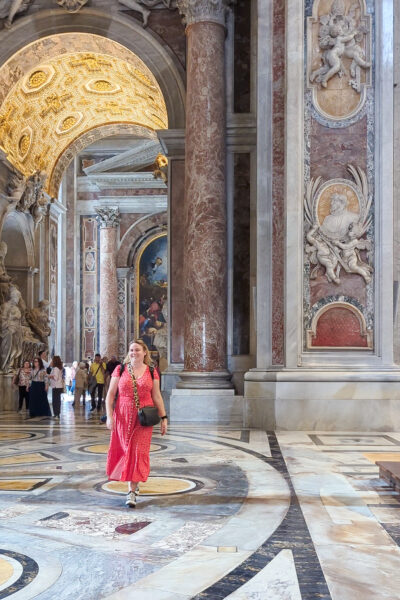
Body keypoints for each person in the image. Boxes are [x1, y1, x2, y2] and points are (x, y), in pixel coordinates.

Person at [106, 339, 168, 507]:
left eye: (137, 350)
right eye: (131, 350)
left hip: (143, 417)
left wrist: (164, 418)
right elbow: (110, 395)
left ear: (145, 352)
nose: (133, 353)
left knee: (137, 452)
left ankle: (131, 491)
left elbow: (156, 396)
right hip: (123, 415)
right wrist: (109, 416)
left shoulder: (152, 371)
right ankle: (134, 481)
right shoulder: (121, 369)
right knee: (127, 451)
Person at [49, 355, 64, 419]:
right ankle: (56, 414)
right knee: (57, 401)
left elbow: (55, 378)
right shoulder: (58, 368)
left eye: (52, 360)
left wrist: (48, 376)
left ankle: (56, 414)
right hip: (58, 386)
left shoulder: (55, 368)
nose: (51, 361)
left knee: (55, 401)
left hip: (56, 386)